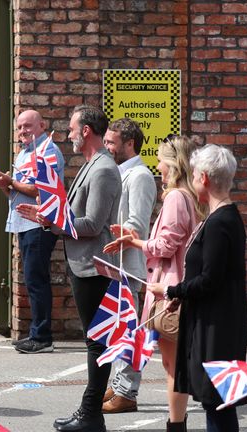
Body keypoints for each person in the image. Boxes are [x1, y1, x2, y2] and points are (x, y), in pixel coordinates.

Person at [18, 105, 121, 432]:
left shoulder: (103, 168)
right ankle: (90, 413)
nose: (70, 135)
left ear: (87, 131)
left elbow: (92, 223)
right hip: (84, 262)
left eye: (74, 129)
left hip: (94, 265)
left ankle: (91, 415)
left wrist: (53, 222)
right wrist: (48, 218)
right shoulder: (92, 164)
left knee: (97, 342)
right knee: (95, 340)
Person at [104, 135, 204, 431]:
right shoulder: (191, 195)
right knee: (176, 363)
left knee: (173, 366)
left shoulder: (176, 197)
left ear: (172, 164)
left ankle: (176, 424)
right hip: (179, 285)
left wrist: (135, 241)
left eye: (160, 159)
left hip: (168, 288)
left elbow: (165, 245)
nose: (157, 164)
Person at [146, 144, 245, 432]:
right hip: (216, 318)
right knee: (215, 401)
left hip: (217, 324)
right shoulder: (223, 218)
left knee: (216, 402)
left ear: (203, 178)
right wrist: (181, 295)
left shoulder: (219, 222)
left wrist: (171, 292)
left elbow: (210, 279)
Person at [0, 109, 64, 354]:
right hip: (25, 223)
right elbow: (17, 193)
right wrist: (5, 185)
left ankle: (42, 338)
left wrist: (10, 181)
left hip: (39, 224)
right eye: (19, 127)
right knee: (32, 279)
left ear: (42, 125)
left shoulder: (47, 151)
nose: (23, 131)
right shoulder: (24, 153)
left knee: (36, 280)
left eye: (28, 126)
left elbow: (41, 190)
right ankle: (36, 334)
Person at [100, 118, 157, 413]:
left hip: (131, 266)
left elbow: (137, 222)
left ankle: (127, 392)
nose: (107, 147)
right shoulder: (120, 173)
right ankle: (118, 384)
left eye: (112, 142)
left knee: (130, 331)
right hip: (115, 264)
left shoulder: (140, 176)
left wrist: (110, 231)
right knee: (119, 330)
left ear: (129, 144)